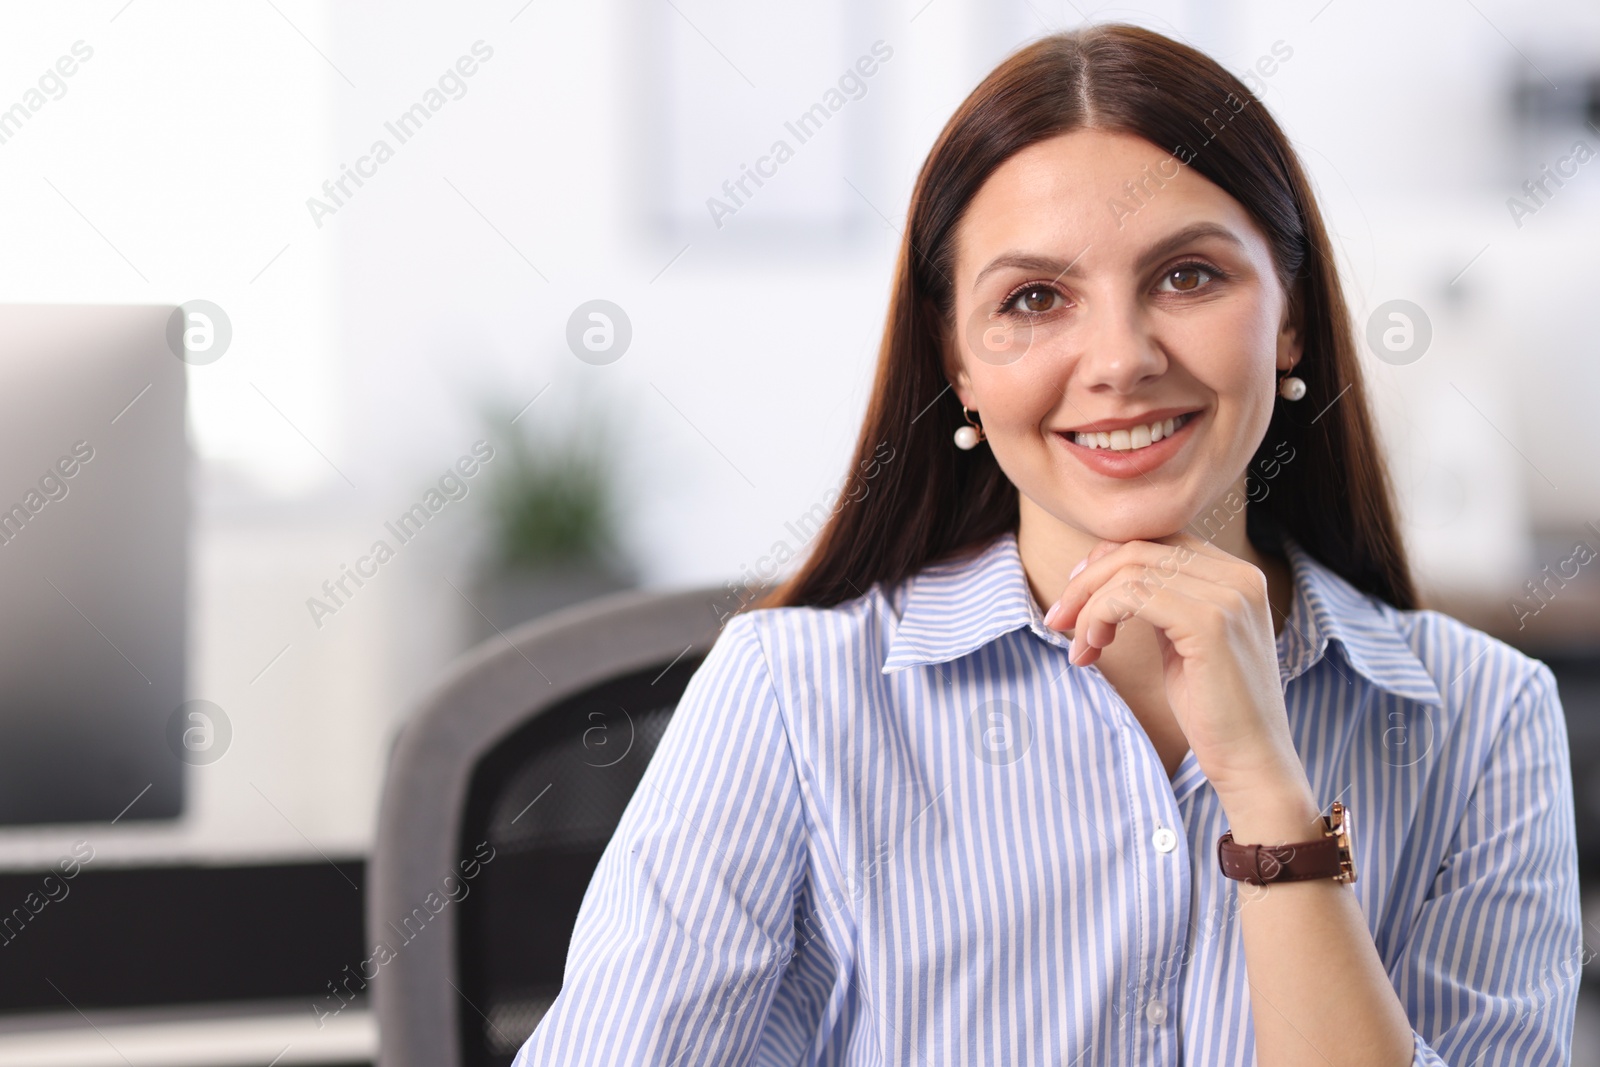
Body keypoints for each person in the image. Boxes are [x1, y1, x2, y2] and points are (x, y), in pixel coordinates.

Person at [515, 22, 1584, 1066]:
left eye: (1187, 276)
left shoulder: (1482, 720)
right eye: (1034, 299)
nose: (1118, 358)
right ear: (959, 363)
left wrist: (1267, 792)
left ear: (1290, 316)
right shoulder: (790, 701)